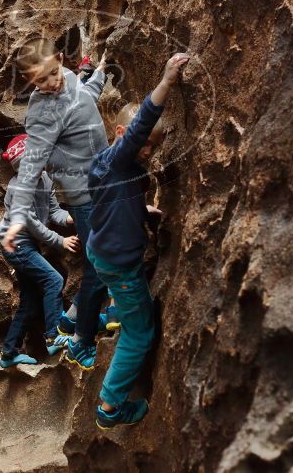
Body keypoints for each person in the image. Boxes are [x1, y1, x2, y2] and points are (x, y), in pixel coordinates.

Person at [86, 53, 190, 429]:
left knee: (129, 307)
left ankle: (117, 308)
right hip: (118, 263)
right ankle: (110, 407)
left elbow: (111, 203)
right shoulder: (120, 158)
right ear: (120, 134)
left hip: (102, 251)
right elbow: (144, 120)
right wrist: (166, 82)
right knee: (139, 332)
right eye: (143, 144)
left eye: (153, 147)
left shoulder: (110, 166)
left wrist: (143, 212)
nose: (147, 151)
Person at [1, 36, 112, 371]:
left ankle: (75, 318)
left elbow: (86, 98)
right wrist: (19, 216)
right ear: (30, 82)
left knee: (103, 260)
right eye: (40, 80)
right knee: (101, 262)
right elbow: (32, 165)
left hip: (106, 181)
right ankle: (80, 340)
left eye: (52, 73)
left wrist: (101, 73)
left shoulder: (72, 78)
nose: (50, 83)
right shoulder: (42, 110)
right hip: (83, 195)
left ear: (60, 59)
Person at [0, 134, 80, 367]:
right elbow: (33, 226)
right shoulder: (18, 189)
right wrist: (61, 242)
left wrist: (72, 218)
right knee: (53, 280)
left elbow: (54, 212)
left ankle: (9, 352)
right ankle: (54, 336)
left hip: (27, 245)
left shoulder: (44, 179)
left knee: (30, 301)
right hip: (17, 245)